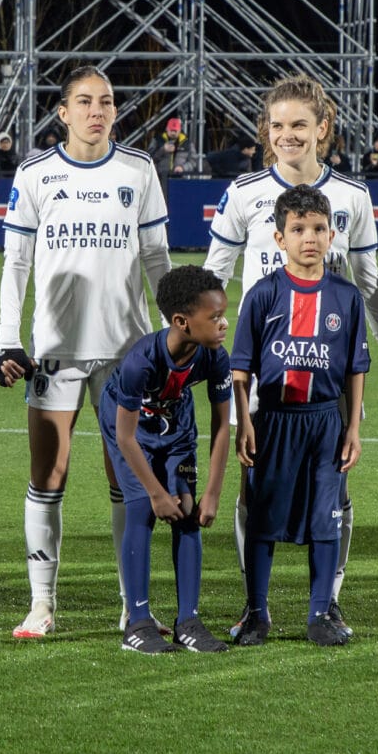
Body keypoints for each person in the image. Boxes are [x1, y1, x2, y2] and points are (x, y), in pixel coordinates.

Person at [204, 75, 378, 634]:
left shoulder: (353, 197)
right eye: (277, 126)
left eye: (298, 124)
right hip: (263, 378)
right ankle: (256, 605)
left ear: (323, 128)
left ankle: (327, 601)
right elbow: (214, 280)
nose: (288, 135)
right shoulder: (243, 194)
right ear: (266, 133)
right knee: (255, 490)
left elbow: (367, 282)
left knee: (333, 488)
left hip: (328, 376)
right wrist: (185, 344)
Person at [0, 66, 171, 639]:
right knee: (48, 475)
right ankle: (42, 604)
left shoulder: (138, 169)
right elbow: (15, 262)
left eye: (107, 101)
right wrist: (7, 336)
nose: (98, 110)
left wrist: (176, 333)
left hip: (127, 354)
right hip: (56, 351)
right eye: (85, 101)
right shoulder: (35, 173)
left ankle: (132, 603)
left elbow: (157, 261)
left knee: (128, 478)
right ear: (63, 112)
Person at [229, 185, 367, 646]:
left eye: (318, 229)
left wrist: (353, 429)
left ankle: (320, 613)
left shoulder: (346, 298)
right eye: (298, 229)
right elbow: (241, 367)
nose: (309, 237)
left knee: (327, 518)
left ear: (331, 236)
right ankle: (256, 612)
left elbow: (354, 369)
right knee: (264, 516)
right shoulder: (263, 294)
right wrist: (245, 422)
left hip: (325, 422)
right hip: (274, 421)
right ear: (279, 238)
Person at [99, 265, 235, 654]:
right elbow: (124, 437)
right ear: (182, 321)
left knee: (189, 512)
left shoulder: (214, 357)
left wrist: (212, 493)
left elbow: (223, 427)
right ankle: (138, 623)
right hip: (131, 431)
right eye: (215, 317)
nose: (224, 324)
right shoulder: (139, 363)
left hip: (176, 428)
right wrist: (157, 492)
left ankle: (188, 621)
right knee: (142, 508)